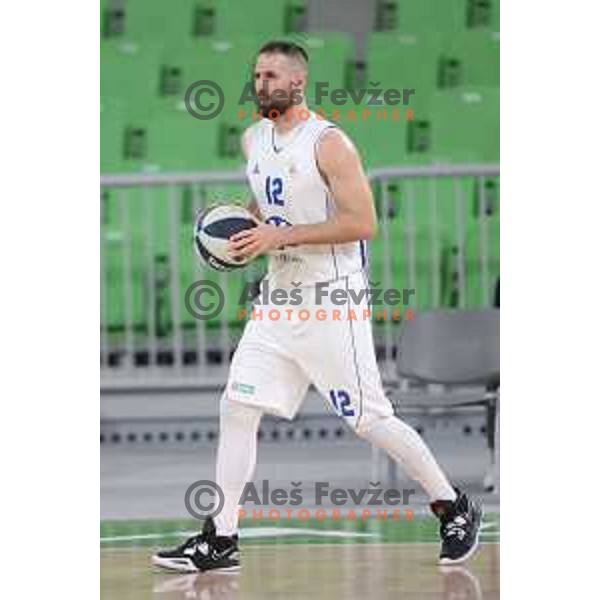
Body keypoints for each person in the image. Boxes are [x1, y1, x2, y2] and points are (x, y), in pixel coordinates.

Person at [153, 40, 482, 573]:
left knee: (370, 419)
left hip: (332, 297)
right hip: (278, 298)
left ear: (298, 83)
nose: (260, 84)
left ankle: (452, 505)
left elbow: (362, 223)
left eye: (271, 76)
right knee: (236, 407)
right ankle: (222, 538)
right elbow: (270, 201)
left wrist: (278, 239)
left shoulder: (330, 144)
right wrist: (243, 225)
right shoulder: (253, 139)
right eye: (256, 75)